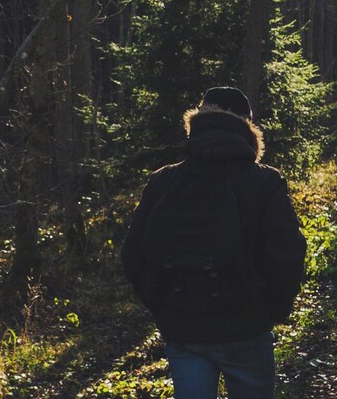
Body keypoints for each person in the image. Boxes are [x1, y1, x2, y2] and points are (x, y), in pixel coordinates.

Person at [122, 86, 307, 399]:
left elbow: (132, 255)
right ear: (247, 126)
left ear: (198, 121)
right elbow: (287, 254)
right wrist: (272, 311)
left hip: (183, 329)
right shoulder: (265, 181)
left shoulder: (164, 180)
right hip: (247, 327)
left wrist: (164, 306)